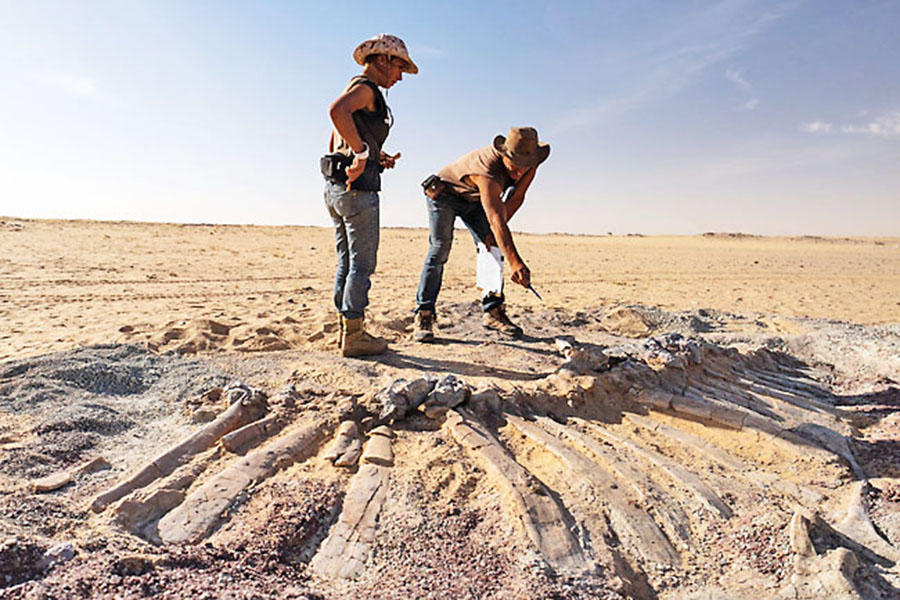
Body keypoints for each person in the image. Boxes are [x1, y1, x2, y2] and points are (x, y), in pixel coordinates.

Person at [322, 34, 417, 357]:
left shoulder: (353, 88)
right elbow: (336, 113)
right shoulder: (365, 89)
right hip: (359, 192)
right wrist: (362, 157)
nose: (400, 76)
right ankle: (355, 335)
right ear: (382, 60)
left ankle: (345, 329)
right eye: (399, 67)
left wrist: (374, 154)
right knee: (361, 265)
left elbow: (338, 138)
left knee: (346, 262)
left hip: (336, 189)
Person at [413, 127, 550, 342]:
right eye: (515, 163)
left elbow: (516, 198)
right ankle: (424, 313)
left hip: (476, 200)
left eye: (525, 165)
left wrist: (495, 235)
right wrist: (516, 262)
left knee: (492, 249)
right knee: (440, 249)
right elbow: (496, 218)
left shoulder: (530, 164)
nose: (519, 171)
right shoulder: (487, 170)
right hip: (444, 195)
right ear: (504, 155)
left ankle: (493, 312)